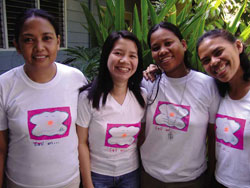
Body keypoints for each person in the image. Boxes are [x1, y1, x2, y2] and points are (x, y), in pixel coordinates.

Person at [0, 9, 87, 188]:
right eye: (28, 39)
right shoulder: (4, 85)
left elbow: (84, 136)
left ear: (58, 41)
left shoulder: (76, 78)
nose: (39, 47)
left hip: (69, 182)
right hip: (20, 183)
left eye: (47, 38)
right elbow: (0, 149)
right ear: (17, 45)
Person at [140, 22, 220, 188]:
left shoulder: (208, 85)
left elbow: (213, 137)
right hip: (150, 177)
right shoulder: (148, 83)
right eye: (156, 48)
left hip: (191, 179)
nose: (162, 51)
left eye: (168, 43)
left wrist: (212, 175)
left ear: (183, 45)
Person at [76, 30, 146, 188]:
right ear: (107, 55)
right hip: (98, 175)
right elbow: (81, 142)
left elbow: (142, 136)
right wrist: (87, 183)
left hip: (131, 174)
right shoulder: (88, 98)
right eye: (118, 53)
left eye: (132, 56)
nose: (124, 60)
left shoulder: (142, 96)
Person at [197, 29, 250, 188]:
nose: (213, 62)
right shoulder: (216, 93)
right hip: (219, 181)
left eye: (218, 52)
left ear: (238, 46)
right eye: (206, 60)